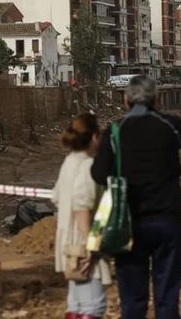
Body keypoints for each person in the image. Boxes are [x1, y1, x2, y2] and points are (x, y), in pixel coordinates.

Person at [91, 77, 181, 319]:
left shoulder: (115, 132)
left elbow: (98, 174)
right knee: (167, 298)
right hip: (166, 223)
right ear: (156, 100)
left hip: (128, 225)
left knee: (132, 300)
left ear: (125, 100)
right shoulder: (168, 125)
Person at [52, 113, 112, 319]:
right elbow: (81, 205)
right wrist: (90, 244)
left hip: (68, 242)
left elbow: (57, 198)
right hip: (83, 242)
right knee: (92, 305)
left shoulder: (68, 162)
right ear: (95, 137)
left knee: (76, 303)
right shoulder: (88, 166)